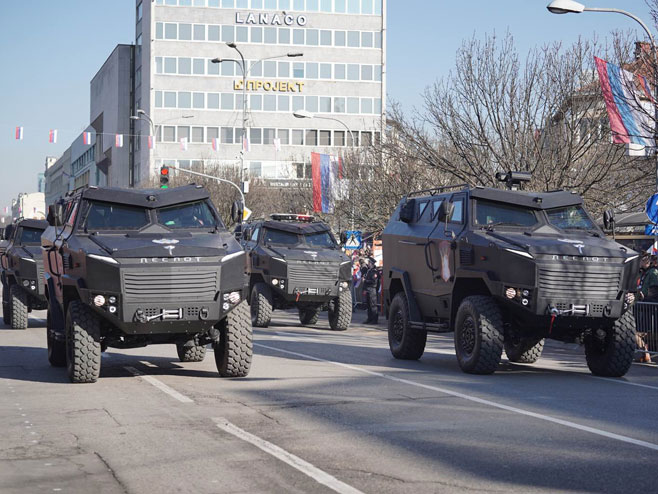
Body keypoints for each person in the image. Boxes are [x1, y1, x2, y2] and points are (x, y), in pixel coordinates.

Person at [362, 257, 379, 324]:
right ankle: (369, 318)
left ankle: (374, 320)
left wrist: (365, 281)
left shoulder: (374, 271)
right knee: (368, 305)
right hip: (368, 289)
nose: (368, 264)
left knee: (373, 305)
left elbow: (374, 281)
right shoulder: (369, 270)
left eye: (369, 263)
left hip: (372, 289)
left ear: (371, 263)